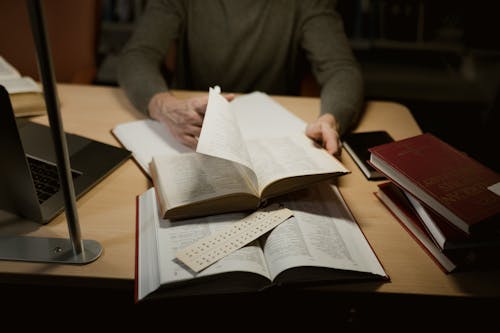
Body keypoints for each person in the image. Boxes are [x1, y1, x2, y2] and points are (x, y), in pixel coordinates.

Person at [117, 0, 364, 156]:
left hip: (272, 139)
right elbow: (137, 55)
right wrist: (164, 107)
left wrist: (331, 119)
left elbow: (341, 68)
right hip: (190, 136)